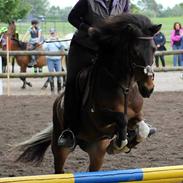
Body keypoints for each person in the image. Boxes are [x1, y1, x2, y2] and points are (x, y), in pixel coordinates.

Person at [59, 0, 155, 148]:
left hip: (109, 48)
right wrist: (88, 29)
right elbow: (72, 18)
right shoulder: (88, 1)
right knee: (73, 80)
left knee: (127, 73)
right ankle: (69, 129)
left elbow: (128, 23)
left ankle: (135, 121)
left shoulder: (123, 1)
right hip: (83, 47)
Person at [44, 28, 65, 94]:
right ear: (50, 33)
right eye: (51, 33)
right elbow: (44, 47)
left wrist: (58, 40)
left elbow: (62, 47)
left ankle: (59, 90)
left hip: (57, 60)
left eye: (53, 33)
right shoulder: (47, 41)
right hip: (50, 60)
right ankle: (52, 90)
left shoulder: (58, 40)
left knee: (59, 74)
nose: (52, 34)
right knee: (51, 74)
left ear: (55, 33)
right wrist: (49, 40)